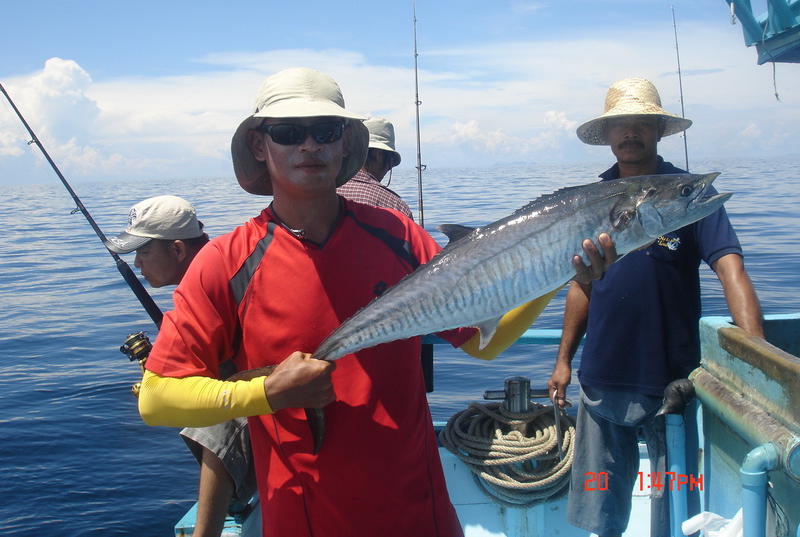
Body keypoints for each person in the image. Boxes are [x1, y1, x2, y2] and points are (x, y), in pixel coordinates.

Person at [137, 67, 616, 536]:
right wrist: (265, 394)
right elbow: (158, 400)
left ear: (345, 142)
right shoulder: (225, 262)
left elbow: (480, 343)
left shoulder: (399, 235)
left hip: (419, 513)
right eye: (288, 132)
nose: (309, 145)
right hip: (302, 520)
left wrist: (556, 272)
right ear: (260, 146)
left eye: (325, 130)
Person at [547, 77, 764, 537]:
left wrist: (757, 356)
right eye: (620, 125)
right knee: (601, 519)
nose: (630, 133)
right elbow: (581, 287)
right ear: (607, 136)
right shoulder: (586, 202)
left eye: (641, 123)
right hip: (601, 386)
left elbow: (732, 271)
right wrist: (563, 360)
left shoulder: (688, 197)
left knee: (675, 519)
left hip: (673, 391)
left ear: (659, 130)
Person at [105, 196, 251, 537]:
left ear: (179, 250)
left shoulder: (210, 285)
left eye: (143, 252)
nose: (138, 263)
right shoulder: (225, 265)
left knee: (212, 420)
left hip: (284, 400)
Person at [337, 116, 413, 218]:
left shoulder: (325, 192)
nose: (389, 168)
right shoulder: (396, 207)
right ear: (378, 154)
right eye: (391, 162)